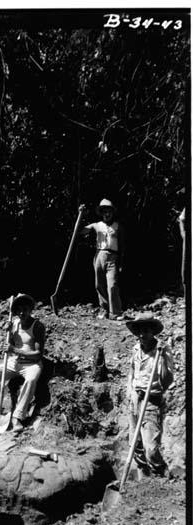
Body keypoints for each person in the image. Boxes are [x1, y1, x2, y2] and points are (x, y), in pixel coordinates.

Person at [0, 294, 45, 433]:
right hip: (14, 362)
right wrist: (9, 334)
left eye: (25, 309)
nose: (22, 313)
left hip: (31, 365)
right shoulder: (14, 324)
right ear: (15, 311)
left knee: (31, 379)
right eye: (19, 310)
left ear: (30, 309)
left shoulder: (38, 326)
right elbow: (10, 346)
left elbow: (38, 355)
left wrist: (15, 350)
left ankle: (17, 417)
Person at [125, 312, 174, 477]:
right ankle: (143, 477)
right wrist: (130, 389)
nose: (141, 335)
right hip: (135, 398)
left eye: (145, 331)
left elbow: (167, 380)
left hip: (151, 400)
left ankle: (162, 475)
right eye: (139, 331)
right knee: (135, 443)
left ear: (153, 331)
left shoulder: (163, 350)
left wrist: (163, 360)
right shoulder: (136, 348)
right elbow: (132, 370)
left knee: (151, 448)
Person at [80, 199, 125, 320]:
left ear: (112, 213)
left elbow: (122, 246)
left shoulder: (118, 226)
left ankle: (115, 313)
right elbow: (81, 231)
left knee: (112, 285)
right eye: (104, 212)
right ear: (101, 213)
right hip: (99, 255)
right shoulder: (96, 225)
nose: (107, 214)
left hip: (113, 257)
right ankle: (104, 310)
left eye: (109, 211)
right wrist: (81, 215)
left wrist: (121, 262)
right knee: (99, 284)